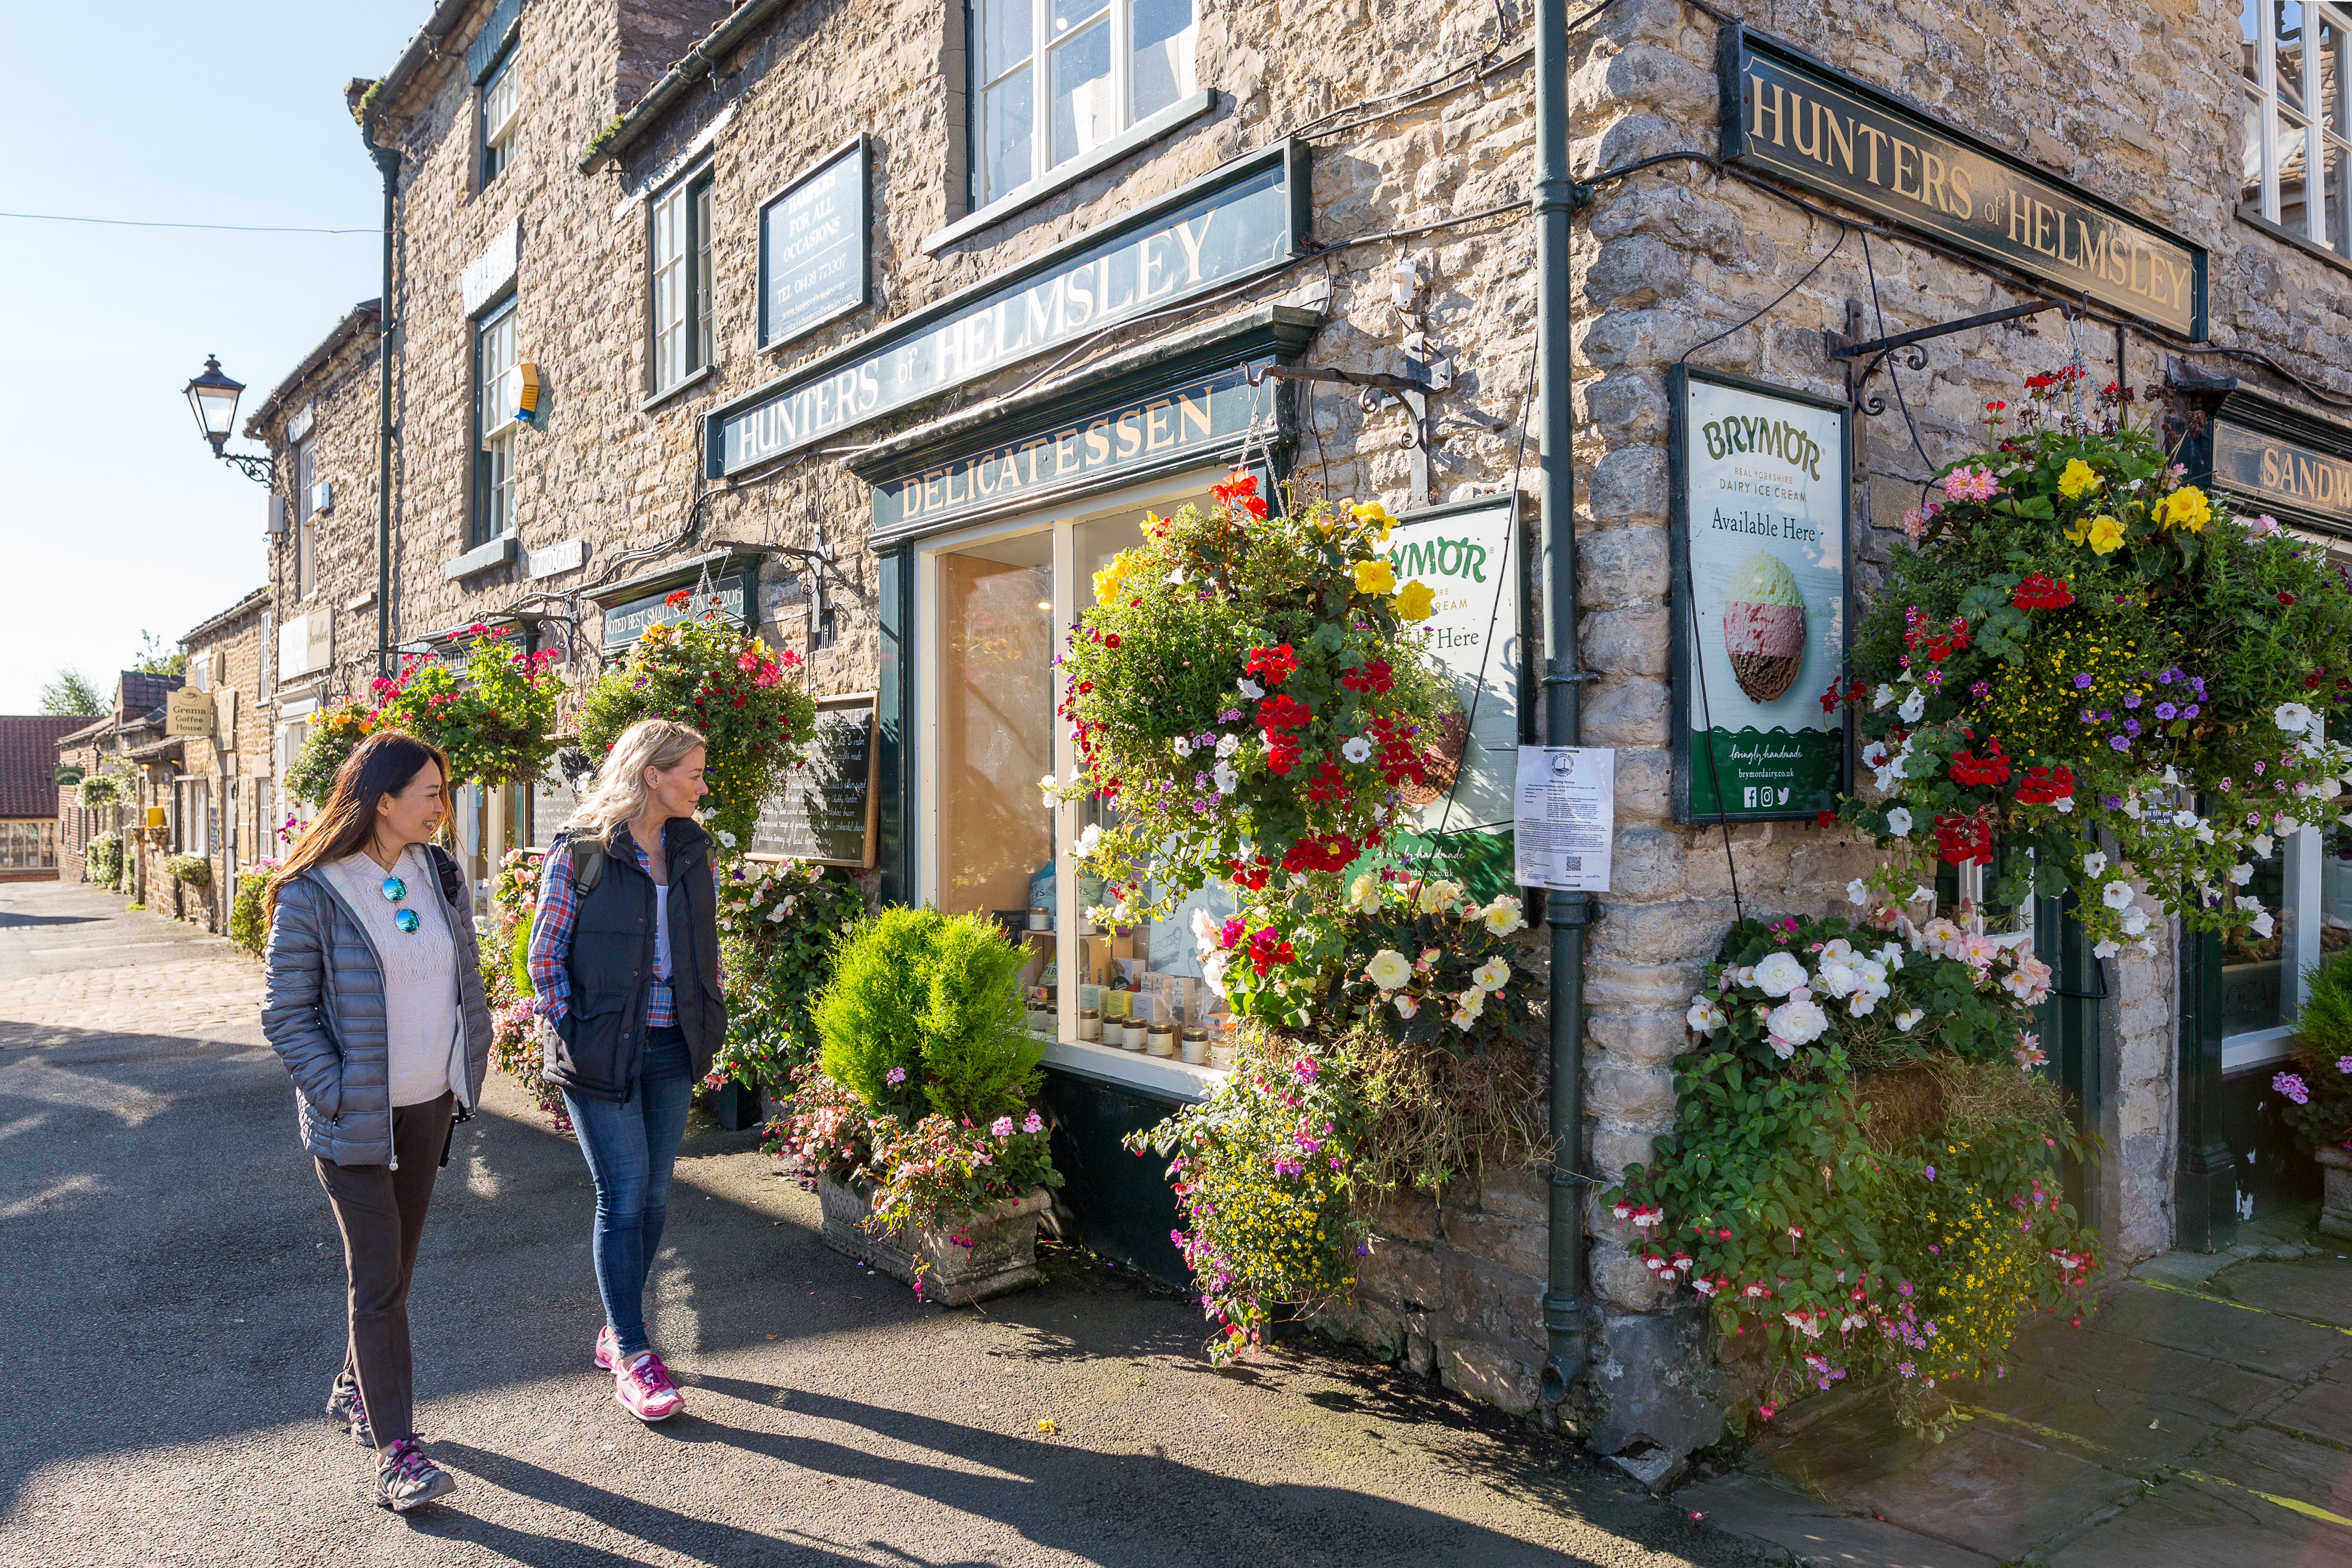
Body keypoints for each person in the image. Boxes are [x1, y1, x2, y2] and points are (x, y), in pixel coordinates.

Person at [260, 731, 491, 1512]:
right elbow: (286, 1014)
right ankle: (399, 1452)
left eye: (443, 790)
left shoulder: (439, 871)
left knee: (396, 1268)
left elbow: (465, 972)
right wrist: (337, 1090)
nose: (442, 805)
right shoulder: (313, 889)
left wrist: (469, 1065)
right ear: (383, 799)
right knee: (378, 1277)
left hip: (429, 1103)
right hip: (353, 1119)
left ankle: (356, 1385)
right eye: (430, 791)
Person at [529, 718, 724, 1422]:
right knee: (622, 1195)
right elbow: (543, 957)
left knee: (654, 1195)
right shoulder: (582, 851)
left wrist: (709, 1012)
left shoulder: (693, 850)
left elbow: (705, 946)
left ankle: (617, 1330)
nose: (703, 786)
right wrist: (580, 1032)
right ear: (652, 774)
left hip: (674, 1043)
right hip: (602, 1051)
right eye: (694, 773)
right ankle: (637, 1354)